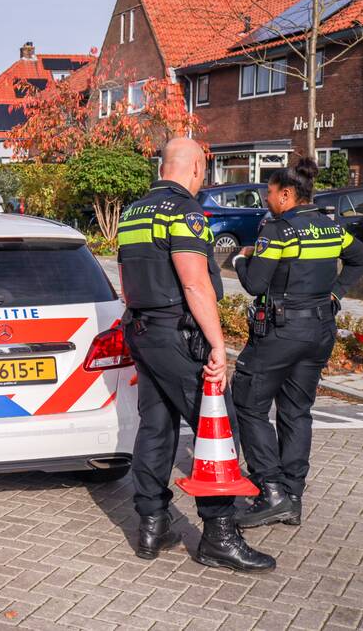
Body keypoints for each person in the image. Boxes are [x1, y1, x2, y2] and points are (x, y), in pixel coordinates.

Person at [116, 137, 274, 572]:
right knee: (218, 429)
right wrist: (219, 346)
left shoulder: (133, 213)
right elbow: (194, 283)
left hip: (143, 330)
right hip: (178, 334)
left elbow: (129, 281)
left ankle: (152, 524)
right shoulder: (184, 212)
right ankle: (220, 535)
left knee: (157, 426)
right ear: (198, 170)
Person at [232, 157, 363, 528]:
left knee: (249, 405)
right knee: (296, 411)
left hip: (280, 332)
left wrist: (240, 259)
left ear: (288, 194)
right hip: (319, 332)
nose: (267, 199)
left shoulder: (277, 231)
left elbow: (256, 284)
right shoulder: (330, 227)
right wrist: (337, 294)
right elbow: (360, 257)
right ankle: (292, 495)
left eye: (270, 193)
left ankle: (272, 491)